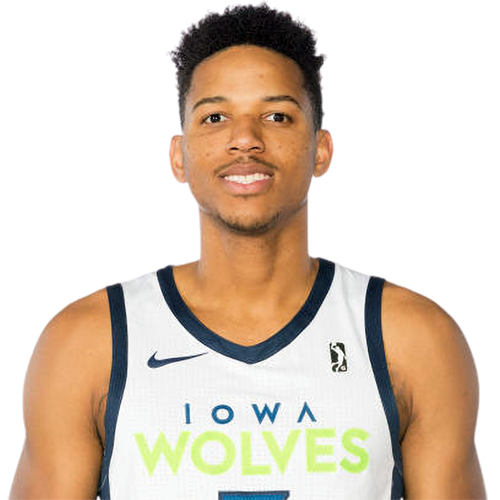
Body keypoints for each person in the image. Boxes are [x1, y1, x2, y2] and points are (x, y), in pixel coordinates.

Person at [9, 7, 486, 500]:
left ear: (321, 151)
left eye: (277, 116)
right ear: (179, 157)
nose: (245, 140)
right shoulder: (89, 342)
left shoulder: (411, 339)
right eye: (215, 117)